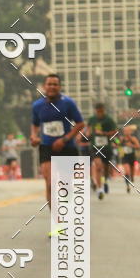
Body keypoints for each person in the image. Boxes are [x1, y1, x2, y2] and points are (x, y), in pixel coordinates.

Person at [30, 73, 85, 208]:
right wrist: (34, 136)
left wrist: (64, 139)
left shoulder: (68, 103)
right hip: (46, 147)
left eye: (55, 84)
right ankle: (57, 224)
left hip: (67, 148)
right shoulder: (37, 105)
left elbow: (80, 124)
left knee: (66, 185)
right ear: (44, 86)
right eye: (49, 84)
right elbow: (35, 124)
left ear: (59, 87)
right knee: (50, 183)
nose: (52, 87)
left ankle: (67, 213)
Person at [85, 103, 116, 200]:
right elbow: (88, 130)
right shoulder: (92, 119)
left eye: (101, 111)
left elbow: (115, 132)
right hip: (95, 147)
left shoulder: (109, 120)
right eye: (98, 111)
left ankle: (105, 181)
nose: (99, 113)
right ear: (95, 110)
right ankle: (100, 188)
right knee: (98, 166)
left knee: (106, 168)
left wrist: (103, 133)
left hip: (106, 148)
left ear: (103, 110)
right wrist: (88, 134)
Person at [119, 125, 140, 192]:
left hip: (132, 156)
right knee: (127, 172)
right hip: (124, 157)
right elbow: (117, 144)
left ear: (130, 132)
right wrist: (118, 145)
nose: (126, 132)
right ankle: (127, 186)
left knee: (132, 172)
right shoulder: (121, 139)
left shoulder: (133, 138)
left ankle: (132, 178)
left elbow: (138, 147)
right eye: (125, 131)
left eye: (128, 131)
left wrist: (131, 145)